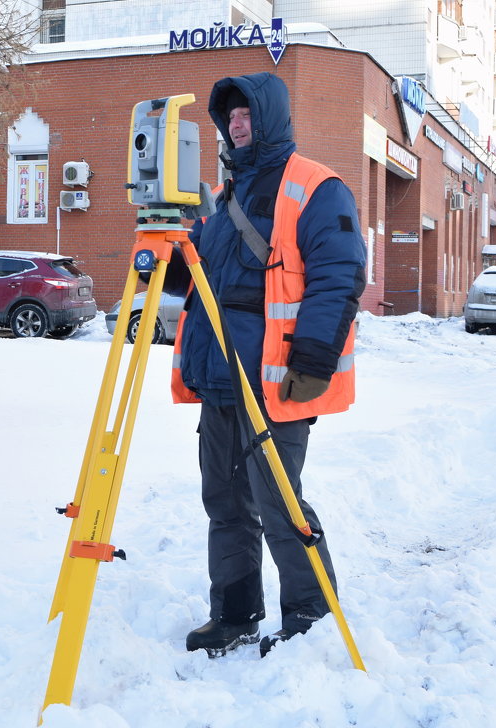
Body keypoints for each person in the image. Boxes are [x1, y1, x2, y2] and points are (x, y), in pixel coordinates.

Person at [162, 72, 366, 658]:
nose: (237, 124)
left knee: (278, 505)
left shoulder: (315, 188)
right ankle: (234, 613)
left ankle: (310, 619)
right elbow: (201, 277)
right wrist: (163, 259)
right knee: (225, 506)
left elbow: (338, 278)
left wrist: (314, 360)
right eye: (229, 117)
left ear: (269, 118)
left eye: (247, 114)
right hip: (221, 381)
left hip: (274, 384)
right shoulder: (225, 201)